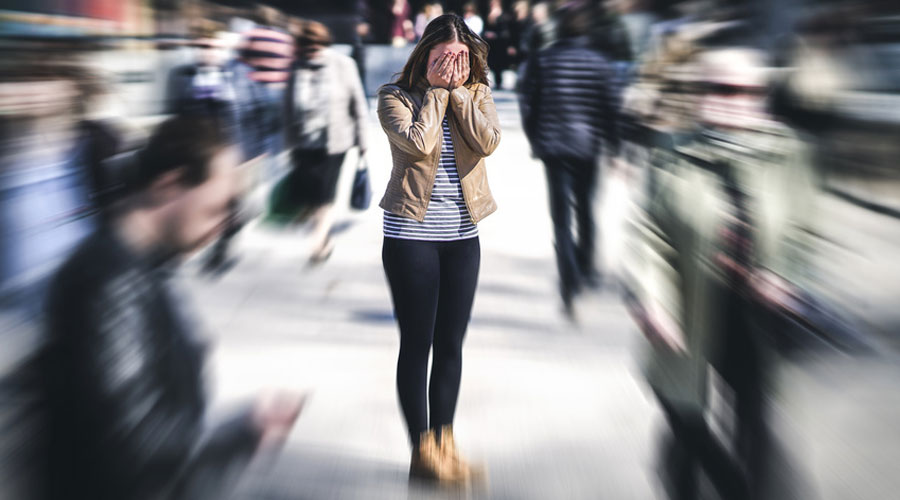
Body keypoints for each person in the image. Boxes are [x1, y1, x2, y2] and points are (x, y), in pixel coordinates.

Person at [32, 116, 304, 500]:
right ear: (169, 185)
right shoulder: (109, 284)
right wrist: (246, 431)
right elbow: (134, 446)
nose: (226, 224)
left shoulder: (141, 268)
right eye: (218, 207)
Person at [376, 13, 500, 483]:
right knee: (418, 344)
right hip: (412, 238)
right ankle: (421, 451)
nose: (454, 66)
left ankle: (446, 443)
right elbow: (419, 145)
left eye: (461, 58)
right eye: (444, 58)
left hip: (463, 238)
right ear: (424, 55)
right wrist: (436, 92)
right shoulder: (395, 97)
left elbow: (487, 142)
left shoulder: (479, 94)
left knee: (451, 344)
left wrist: (461, 95)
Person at [519, 3, 621, 318]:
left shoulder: (543, 60)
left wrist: (535, 139)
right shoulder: (600, 63)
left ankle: (568, 280)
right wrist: (614, 145)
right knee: (586, 209)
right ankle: (585, 268)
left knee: (561, 219)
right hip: (588, 147)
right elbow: (610, 108)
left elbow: (529, 104)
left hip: (554, 147)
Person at [285, 21, 368, 263]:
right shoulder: (296, 67)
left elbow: (358, 103)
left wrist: (363, 140)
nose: (312, 52)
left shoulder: (343, 65)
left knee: (325, 194)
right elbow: (287, 108)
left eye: (316, 47)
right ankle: (323, 234)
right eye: (307, 48)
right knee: (311, 195)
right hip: (304, 143)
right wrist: (287, 144)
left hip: (335, 142)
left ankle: (319, 244)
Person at [483, 0, 513, 89]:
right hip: (492, 45)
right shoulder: (489, 15)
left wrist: (495, 35)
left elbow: (506, 32)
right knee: (493, 63)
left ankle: (499, 83)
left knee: (499, 64)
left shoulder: (503, 16)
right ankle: (496, 82)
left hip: (500, 44)